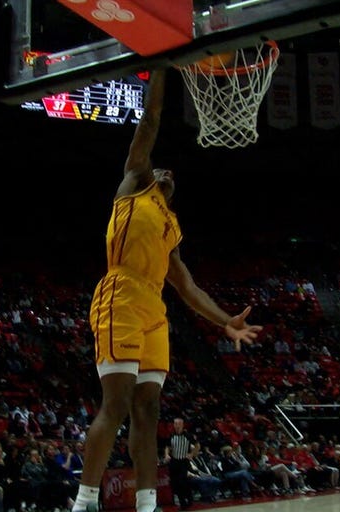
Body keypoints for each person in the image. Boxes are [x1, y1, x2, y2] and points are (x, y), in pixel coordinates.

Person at [72, 66, 263, 512]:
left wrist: (226, 321)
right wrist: (162, 64)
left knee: (149, 409)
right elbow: (152, 119)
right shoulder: (135, 183)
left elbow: (187, 286)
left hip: (154, 308)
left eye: (171, 172)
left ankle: (146, 504)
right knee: (116, 404)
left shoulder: (170, 224)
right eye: (162, 167)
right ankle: (83, 502)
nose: (166, 169)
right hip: (120, 291)